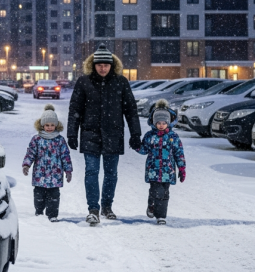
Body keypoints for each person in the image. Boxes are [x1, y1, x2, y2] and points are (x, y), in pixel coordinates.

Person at [67, 44, 142, 225]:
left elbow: (130, 110)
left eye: (105, 65)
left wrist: (135, 134)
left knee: (111, 173)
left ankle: (107, 206)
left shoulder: (121, 82)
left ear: (111, 65)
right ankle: (93, 209)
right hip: (90, 133)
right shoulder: (84, 82)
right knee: (91, 172)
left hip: (113, 134)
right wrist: (72, 133)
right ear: (93, 65)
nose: (102, 68)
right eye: (99, 64)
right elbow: (75, 109)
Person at [134, 99, 186, 225]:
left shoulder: (173, 137)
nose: (161, 125)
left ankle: (161, 216)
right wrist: (136, 146)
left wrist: (182, 168)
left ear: (168, 122)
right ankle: (152, 205)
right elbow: (144, 150)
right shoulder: (150, 136)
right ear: (154, 122)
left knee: (165, 193)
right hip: (153, 169)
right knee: (156, 191)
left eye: (164, 122)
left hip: (168, 170)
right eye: (158, 123)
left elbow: (179, 154)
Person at [22, 104, 73, 222]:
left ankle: (52, 215)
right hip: (40, 175)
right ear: (42, 125)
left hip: (55, 176)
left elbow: (65, 156)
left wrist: (68, 170)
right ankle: (39, 213)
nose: (49, 127)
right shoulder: (37, 139)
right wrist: (26, 164)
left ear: (56, 125)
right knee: (39, 196)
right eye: (47, 125)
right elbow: (31, 153)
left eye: (52, 125)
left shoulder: (60, 140)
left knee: (54, 196)